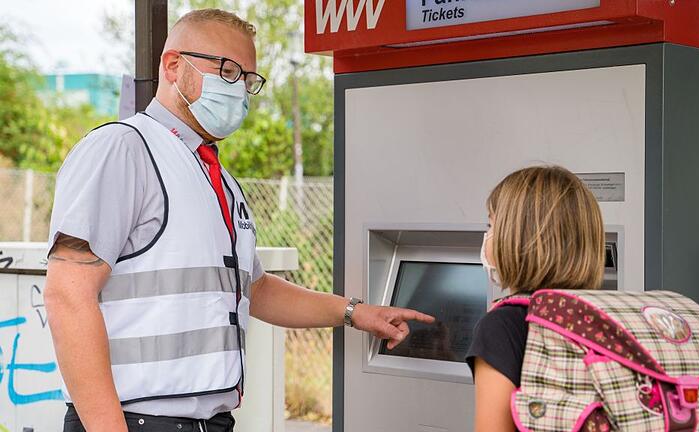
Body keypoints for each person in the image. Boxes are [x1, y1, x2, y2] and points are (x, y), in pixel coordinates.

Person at [44, 9, 434, 432]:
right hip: (136, 421)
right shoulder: (123, 149)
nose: (240, 90)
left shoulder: (219, 179)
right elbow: (68, 296)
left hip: (209, 422)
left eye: (249, 80)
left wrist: (354, 312)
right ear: (174, 66)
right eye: (227, 71)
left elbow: (255, 287)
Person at [465, 166, 605, 432]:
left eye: (491, 225)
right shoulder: (597, 314)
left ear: (516, 239)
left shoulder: (502, 326)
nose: (487, 236)